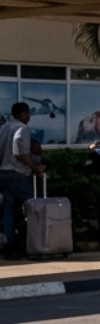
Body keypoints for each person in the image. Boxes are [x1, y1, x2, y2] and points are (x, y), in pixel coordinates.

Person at [0, 102, 45, 257]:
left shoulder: (4, 128)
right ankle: (36, 244)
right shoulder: (22, 129)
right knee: (34, 208)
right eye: (28, 114)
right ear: (23, 113)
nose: (29, 117)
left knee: (8, 211)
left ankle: (9, 245)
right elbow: (19, 152)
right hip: (18, 174)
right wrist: (35, 167)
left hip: (3, 174)